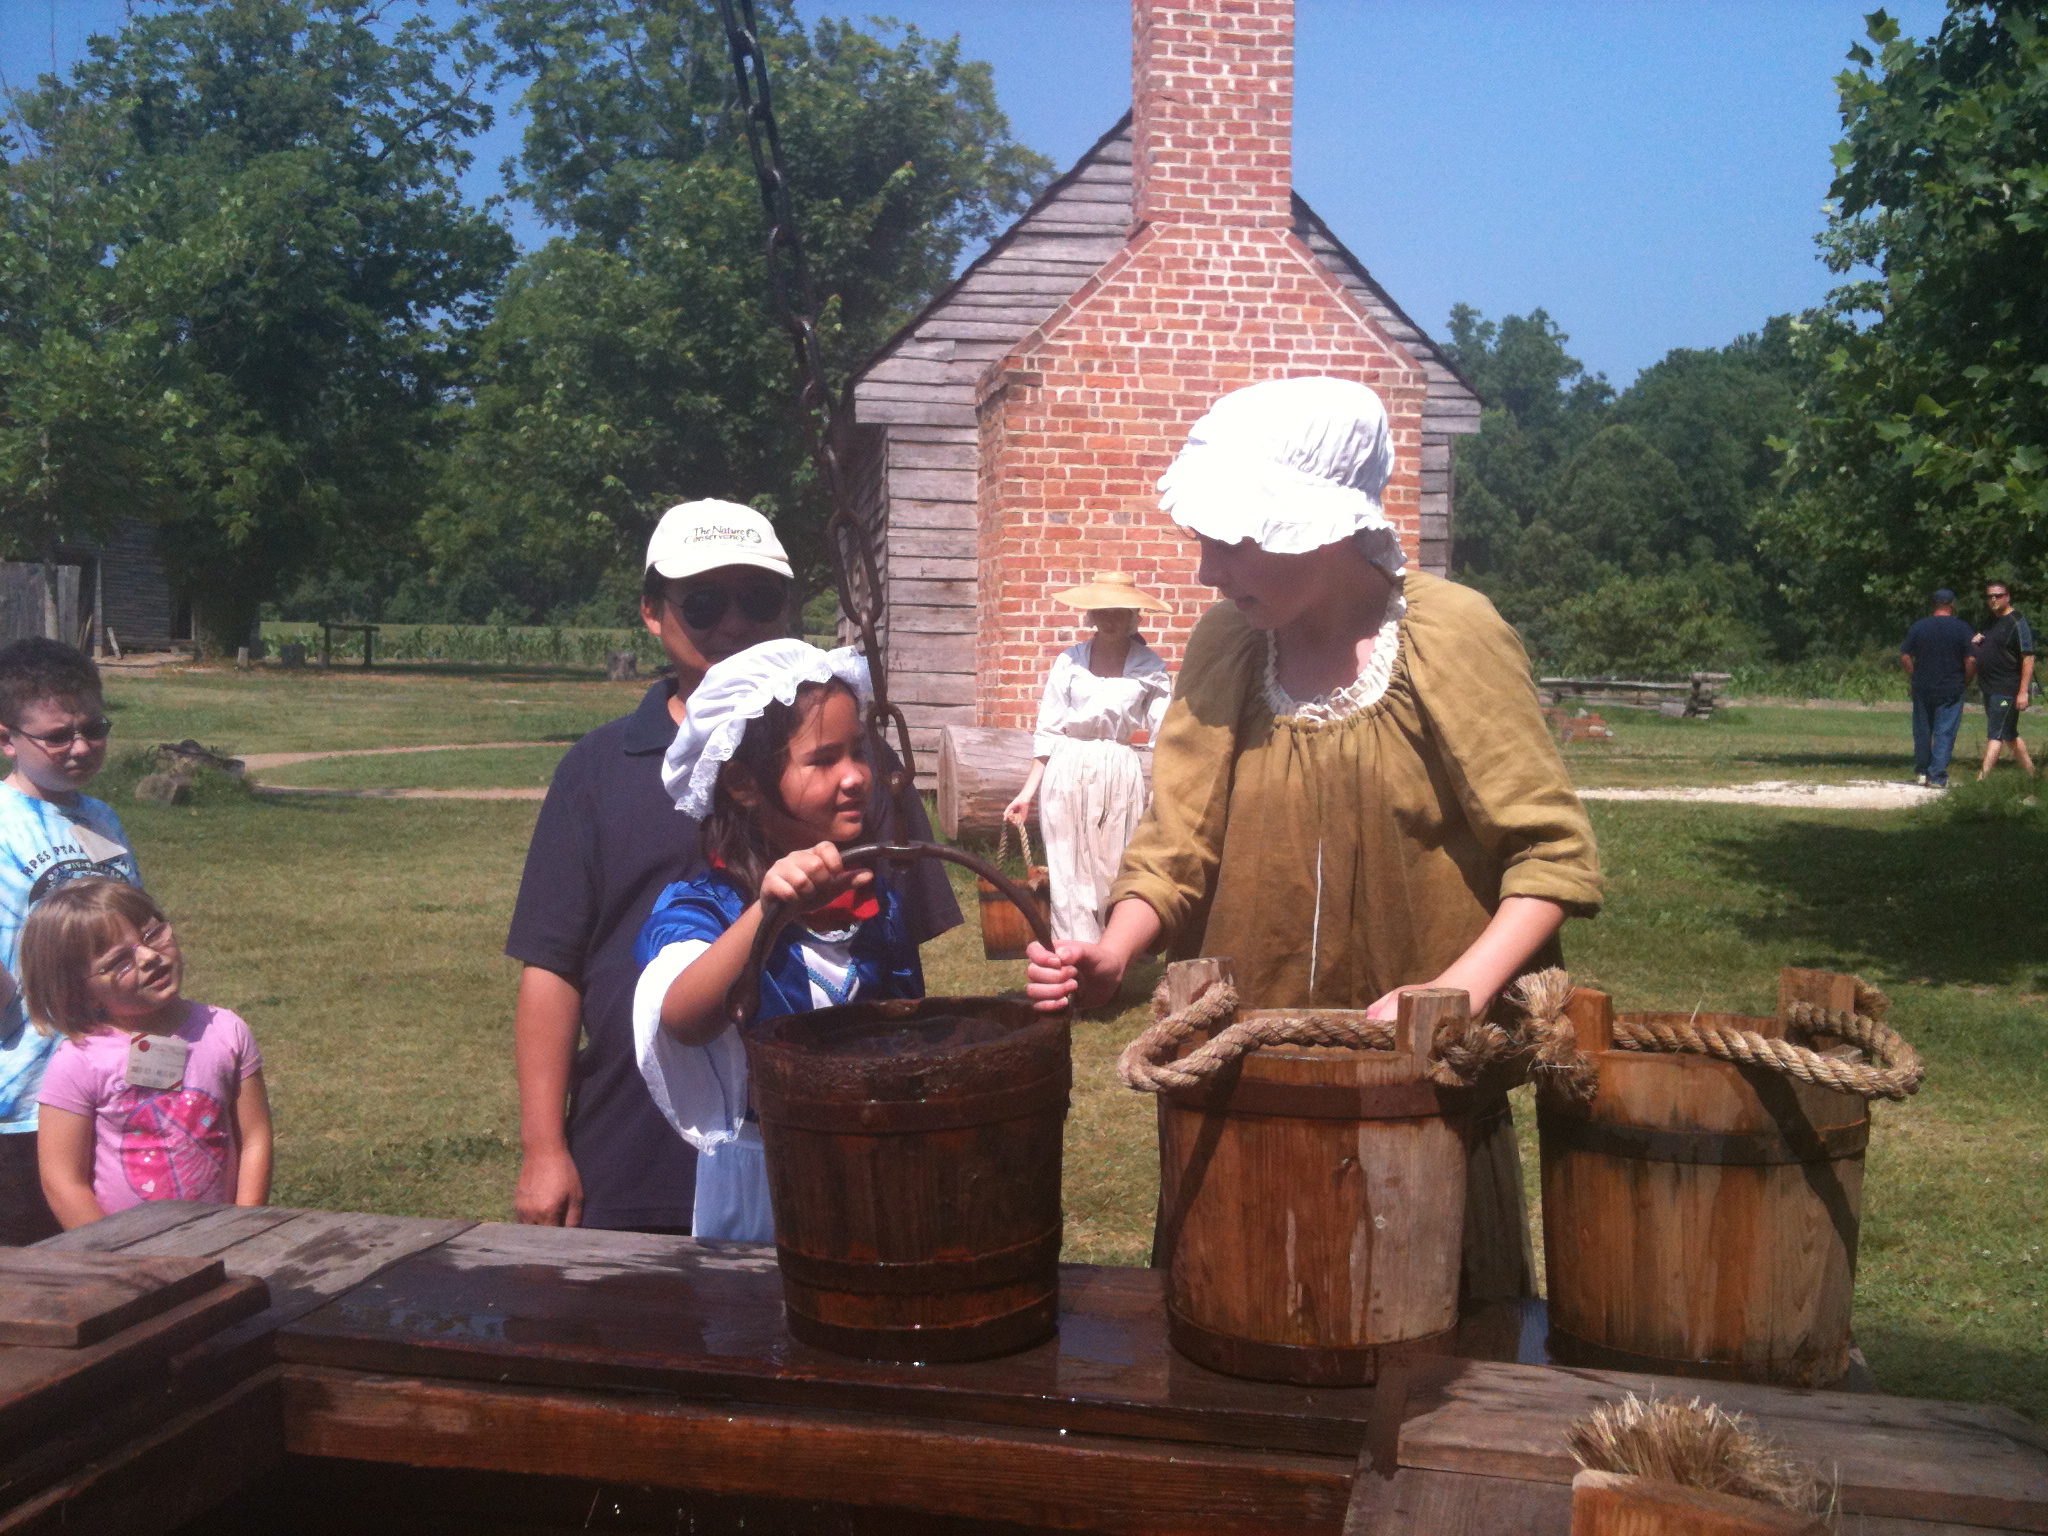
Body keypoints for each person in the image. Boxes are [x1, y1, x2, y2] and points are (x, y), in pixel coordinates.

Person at [1025, 375, 1602, 1301]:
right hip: (1245, 1093)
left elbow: (1550, 858)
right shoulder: (1226, 647)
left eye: (1234, 539)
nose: (1209, 570)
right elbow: (1176, 843)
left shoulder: (1451, 635)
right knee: (1235, 1329)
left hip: (1423, 1099)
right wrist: (1114, 950)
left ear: (1322, 528)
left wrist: (1452, 995)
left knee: (1426, 1345)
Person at [505, 501, 957, 1234]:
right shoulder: (598, 768)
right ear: (652, 612)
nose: (736, 622)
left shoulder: (861, 769)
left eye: (760, 598)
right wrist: (543, 1148)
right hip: (637, 1150)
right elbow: (552, 965)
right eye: (704, 602)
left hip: (833, 1155)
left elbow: (901, 977)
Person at [631, 641, 923, 1240]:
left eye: (858, 752)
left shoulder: (876, 904)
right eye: (823, 759)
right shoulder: (706, 908)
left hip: (873, 1165)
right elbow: (682, 1017)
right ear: (743, 783)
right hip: (765, 1184)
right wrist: (769, 914)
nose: (855, 777)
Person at [0, 639, 142, 1245]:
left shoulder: (101, 818)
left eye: (94, 729)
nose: (81, 747)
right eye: (58, 736)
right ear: (7, 739)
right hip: (23, 1105)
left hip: (113, 1088)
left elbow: (136, 929)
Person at [29, 879, 270, 1228]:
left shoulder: (225, 1031)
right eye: (119, 961)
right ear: (78, 991)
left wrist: (245, 1227)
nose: (149, 957)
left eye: (153, 934)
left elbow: (254, 1139)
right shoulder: (78, 1061)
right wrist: (110, 1251)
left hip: (225, 1238)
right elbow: (62, 1180)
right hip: (127, 1251)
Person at [1003, 573, 1173, 943]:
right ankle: (1072, 956)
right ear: (1091, 615)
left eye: (1121, 611)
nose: (1111, 619)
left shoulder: (1150, 667)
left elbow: (1165, 735)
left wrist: (1161, 789)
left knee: (1114, 866)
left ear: (1135, 616)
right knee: (1067, 868)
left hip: (1118, 770)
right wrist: (1026, 794)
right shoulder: (1070, 661)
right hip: (1067, 767)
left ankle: (1111, 953)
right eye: (1103, 611)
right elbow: (1048, 731)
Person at [1899, 588, 1976, 788]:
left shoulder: (1919, 627)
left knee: (1922, 730)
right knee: (1945, 731)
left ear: (1933, 604)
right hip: (1951, 686)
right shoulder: (1962, 628)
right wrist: (1966, 679)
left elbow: (1905, 655)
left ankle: (1922, 770)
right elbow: (1970, 659)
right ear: (1952, 604)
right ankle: (1937, 775)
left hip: (1923, 685)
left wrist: (1913, 675)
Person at [1972, 580, 2035, 780]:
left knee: (1995, 733)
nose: (1993, 599)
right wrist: (1977, 643)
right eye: (1990, 596)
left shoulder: (2017, 621)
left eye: (1998, 595)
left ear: (2007, 597)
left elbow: (2028, 657)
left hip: (2006, 688)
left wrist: (2023, 691)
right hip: (1989, 686)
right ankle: (2033, 775)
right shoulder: (1990, 621)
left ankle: (1981, 779)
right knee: (2008, 734)